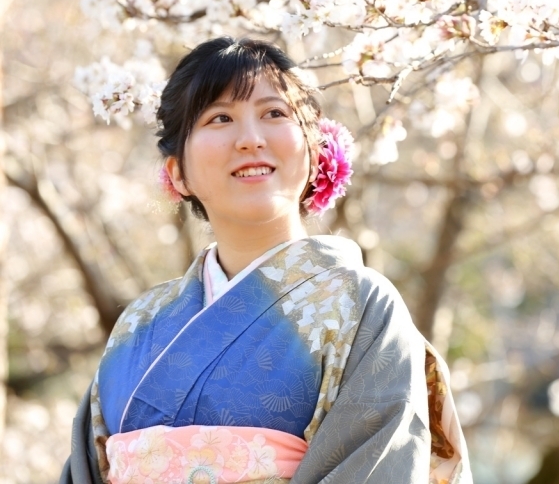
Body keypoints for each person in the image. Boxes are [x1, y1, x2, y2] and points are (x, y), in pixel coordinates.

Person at [60, 37, 471, 484]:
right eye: (220, 118)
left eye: (275, 113)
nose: (251, 139)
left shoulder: (361, 306)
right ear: (178, 173)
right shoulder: (138, 323)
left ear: (315, 149)